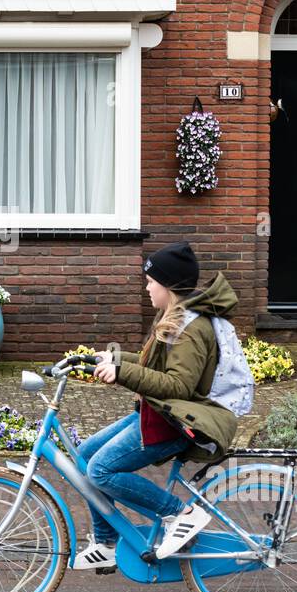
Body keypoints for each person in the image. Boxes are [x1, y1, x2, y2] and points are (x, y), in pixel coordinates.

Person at [70, 241, 241, 570]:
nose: (146, 286)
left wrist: (121, 373)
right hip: (156, 414)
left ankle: (180, 513)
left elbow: (178, 386)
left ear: (168, 286)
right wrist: (114, 358)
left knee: (101, 470)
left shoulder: (191, 329)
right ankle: (105, 544)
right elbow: (155, 368)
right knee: (85, 454)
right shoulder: (176, 319)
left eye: (151, 281)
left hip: (175, 422)